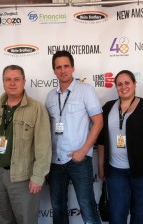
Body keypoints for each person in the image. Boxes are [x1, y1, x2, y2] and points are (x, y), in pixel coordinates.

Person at [97, 70, 143, 224]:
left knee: (139, 214)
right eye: (119, 84)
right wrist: (101, 166)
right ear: (116, 87)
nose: (123, 87)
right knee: (117, 215)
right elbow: (101, 141)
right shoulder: (107, 108)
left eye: (127, 83)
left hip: (142, 173)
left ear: (134, 84)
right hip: (115, 172)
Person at [45, 50, 103, 224]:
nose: (63, 70)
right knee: (58, 206)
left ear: (73, 68)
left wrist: (84, 151)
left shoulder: (86, 91)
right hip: (55, 162)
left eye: (66, 66)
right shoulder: (50, 96)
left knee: (87, 206)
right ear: (54, 71)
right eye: (58, 67)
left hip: (79, 160)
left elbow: (98, 122)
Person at [0, 65, 51, 224]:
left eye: (16, 79)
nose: (12, 83)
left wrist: (37, 177)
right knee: (1, 221)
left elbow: (43, 146)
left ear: (24, 81)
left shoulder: (36, 108)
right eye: (8, 79)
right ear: (3, 83)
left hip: (23, 178)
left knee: (26, 220)